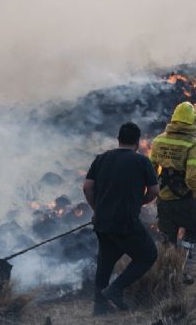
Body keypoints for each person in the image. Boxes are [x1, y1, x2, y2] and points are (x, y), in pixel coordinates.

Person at [83, 121, 160, 315]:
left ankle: (99, 306)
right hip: (126, 222)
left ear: (119, 140)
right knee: (148, 255)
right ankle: (115, 289)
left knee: (106, 261)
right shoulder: (142, 161)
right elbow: (153, 191)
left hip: (103, 222)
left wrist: (97, 209)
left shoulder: (101, 159)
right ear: (137, 142)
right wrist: (139, 203)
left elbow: (87, 187)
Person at [149, 101, 196, 283]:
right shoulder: (191, 144)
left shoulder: (158, 140)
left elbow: (151, 172)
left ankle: (166, 278)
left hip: (163, 200)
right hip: (185, 201)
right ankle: (186, 271)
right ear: (191, 121)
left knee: (167, 241)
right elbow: (192, 178)